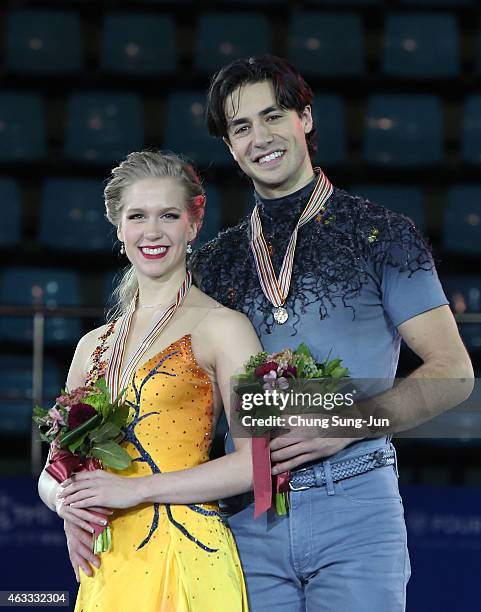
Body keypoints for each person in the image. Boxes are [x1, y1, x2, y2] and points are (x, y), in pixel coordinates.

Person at [186, 56, 474, 611]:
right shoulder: (214, 262)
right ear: (229, 146)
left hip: (357, 503)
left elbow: (453, 373)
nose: (260, 137)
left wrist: (344, 423)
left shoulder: (384, 234)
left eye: (273, 116)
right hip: (247, 515)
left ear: (306, 118)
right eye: (241, 127)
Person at [37, 150, 262, 611]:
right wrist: (67, 505)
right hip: (106, 564)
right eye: (137, 216)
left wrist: (135, 489)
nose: (153, 231)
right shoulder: (91, 345)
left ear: (193, 225)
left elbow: (256, 463)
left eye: (169, 215)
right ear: (119, 228)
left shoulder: (224, 326)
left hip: (187, 555)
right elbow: (51, 470)